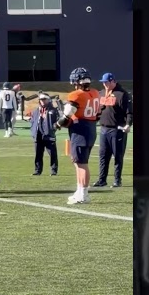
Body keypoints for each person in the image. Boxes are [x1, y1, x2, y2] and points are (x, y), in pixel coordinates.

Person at [56, 67, 101, 205]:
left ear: (76, 81)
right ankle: (80, 191)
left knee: (81, 164)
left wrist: (57, 124)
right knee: (79, 162)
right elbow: (98, 114)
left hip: (80, 130)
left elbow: (66, 116)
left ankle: (83, 194)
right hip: (91, 128)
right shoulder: (95, 93)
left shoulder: (76, 95)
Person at [93, 72, 131, 189]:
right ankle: (102, 180)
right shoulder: (101, 93)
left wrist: (128, 124)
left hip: (117, 129)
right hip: (104, 129)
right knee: (103, 156)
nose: (104, 84)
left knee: (117, 156)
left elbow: (129, 112)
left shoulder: (122, 94)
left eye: (106, 82)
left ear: (113, 81)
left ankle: (117, 180)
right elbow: (98, 110)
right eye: (103, 82)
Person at [29, 93, 60, 176]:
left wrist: (53, 128)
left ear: (48, 100)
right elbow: (32, 121)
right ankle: (37, 170)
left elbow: (58, 121)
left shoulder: (53, 110)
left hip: (49, 135)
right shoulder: (36, 111)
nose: (42, 101)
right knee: (38, 154)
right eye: (41, 100)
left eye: (44, 99)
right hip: (38, 135)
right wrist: (33, 131)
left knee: (52, 154)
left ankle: (54, 171)